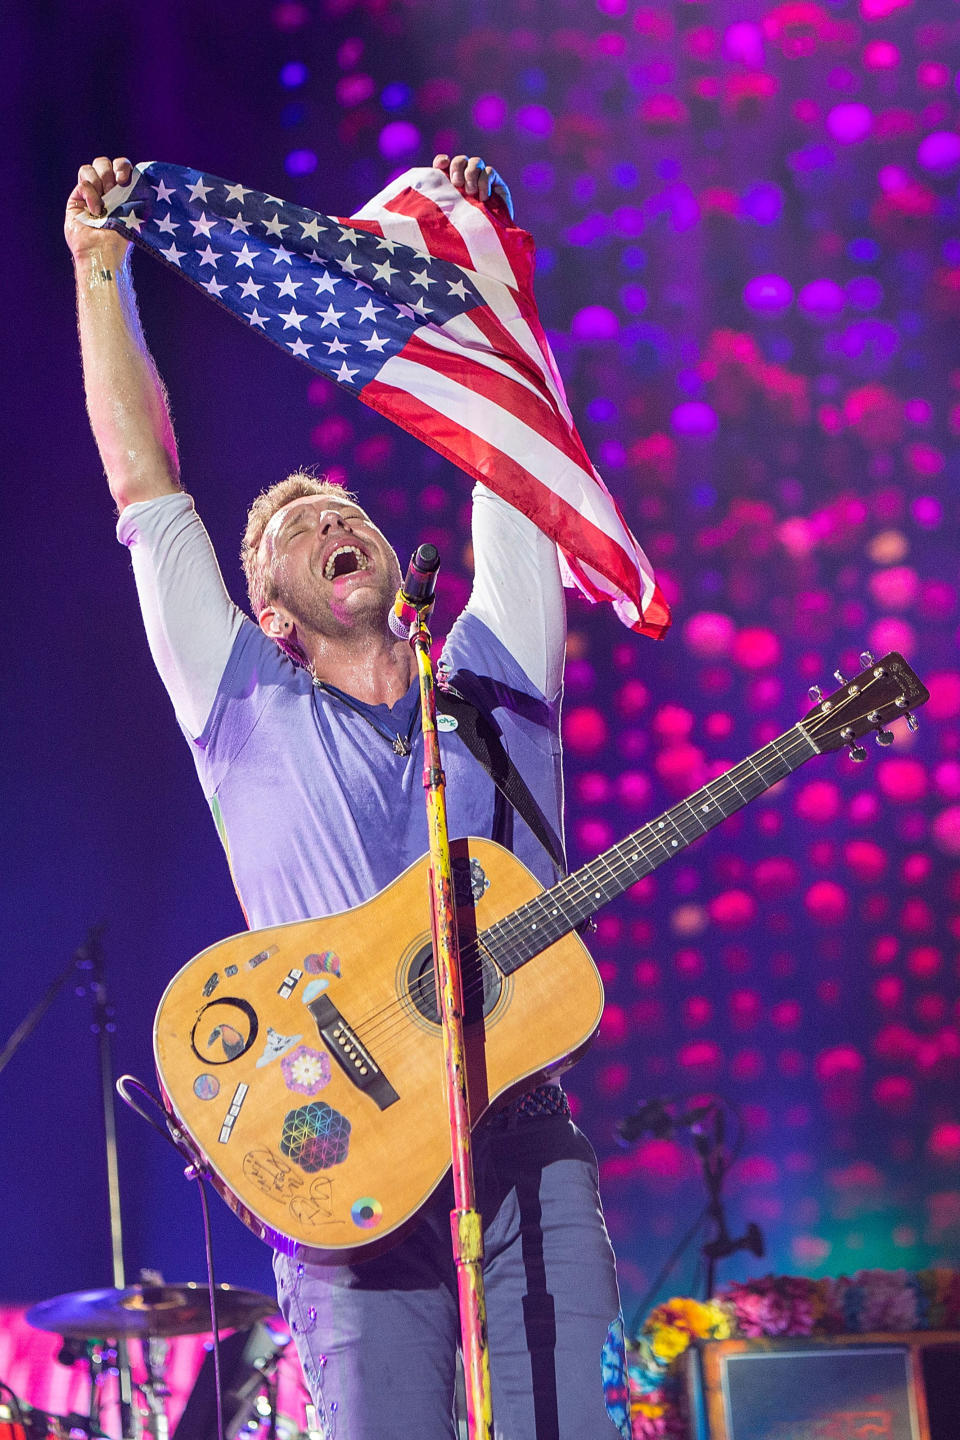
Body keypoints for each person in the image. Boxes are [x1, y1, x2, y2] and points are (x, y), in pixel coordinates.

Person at [66, 152, 625, 1440]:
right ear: (267, 614)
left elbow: (517, 457)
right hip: (343, 1171)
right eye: (290, 529)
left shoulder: (492, 674)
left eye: (343, 505)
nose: (331, 516)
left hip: (522, 1146)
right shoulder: (243, 709)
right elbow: (146, 487)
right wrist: (104, 276)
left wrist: (487, 266)